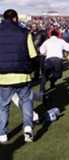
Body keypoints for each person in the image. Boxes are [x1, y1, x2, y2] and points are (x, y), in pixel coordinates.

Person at [0, 9, 37, 143]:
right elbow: (33, 55)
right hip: (22, 75)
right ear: (15, 18)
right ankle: (27, 127)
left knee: (3, 106)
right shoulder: (24, 32)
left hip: (3, 76)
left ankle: (2, 134)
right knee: (26, 101)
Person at [39, 30, 69, 95]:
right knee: (58, 75)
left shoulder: (47, 41)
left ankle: (41, 90)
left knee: (45, 75)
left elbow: (41, 50)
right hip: (58, 60)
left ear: (50, 35)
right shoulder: (61, 41)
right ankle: (52, 81)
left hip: (48, 60)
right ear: (57, 35)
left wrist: (46, 52)